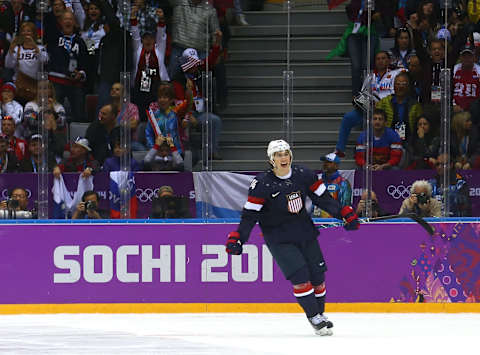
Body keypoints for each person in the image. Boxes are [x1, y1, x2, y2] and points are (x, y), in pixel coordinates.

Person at [225, 139, 360, 336]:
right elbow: (250, 215)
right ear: (271, 159)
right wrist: (239, 237)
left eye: (286, 153)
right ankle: (314, 317)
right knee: (300, 277)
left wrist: (344, 213)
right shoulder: (262, 184)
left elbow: (322, 199)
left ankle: (320, 315)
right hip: (278, 237)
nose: (283, 157)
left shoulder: (304, 174)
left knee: (318, 277)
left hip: (304, 231)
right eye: (279, 155)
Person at [429, 153, 472, 217]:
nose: (439, 167)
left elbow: (465, 208)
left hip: (454, 222)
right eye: (437, 164)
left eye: (443, 164)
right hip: (435, 222)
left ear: (451, 165)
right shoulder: (431, 184)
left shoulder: (460, 184)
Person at [313, 153, 352, 218]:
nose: (325, 164)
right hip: (317, 222)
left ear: (336, 166)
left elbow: (345, 206)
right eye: (324, 162)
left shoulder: (343, 183)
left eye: (328, 162)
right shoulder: (318, 181)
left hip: (334, 223)